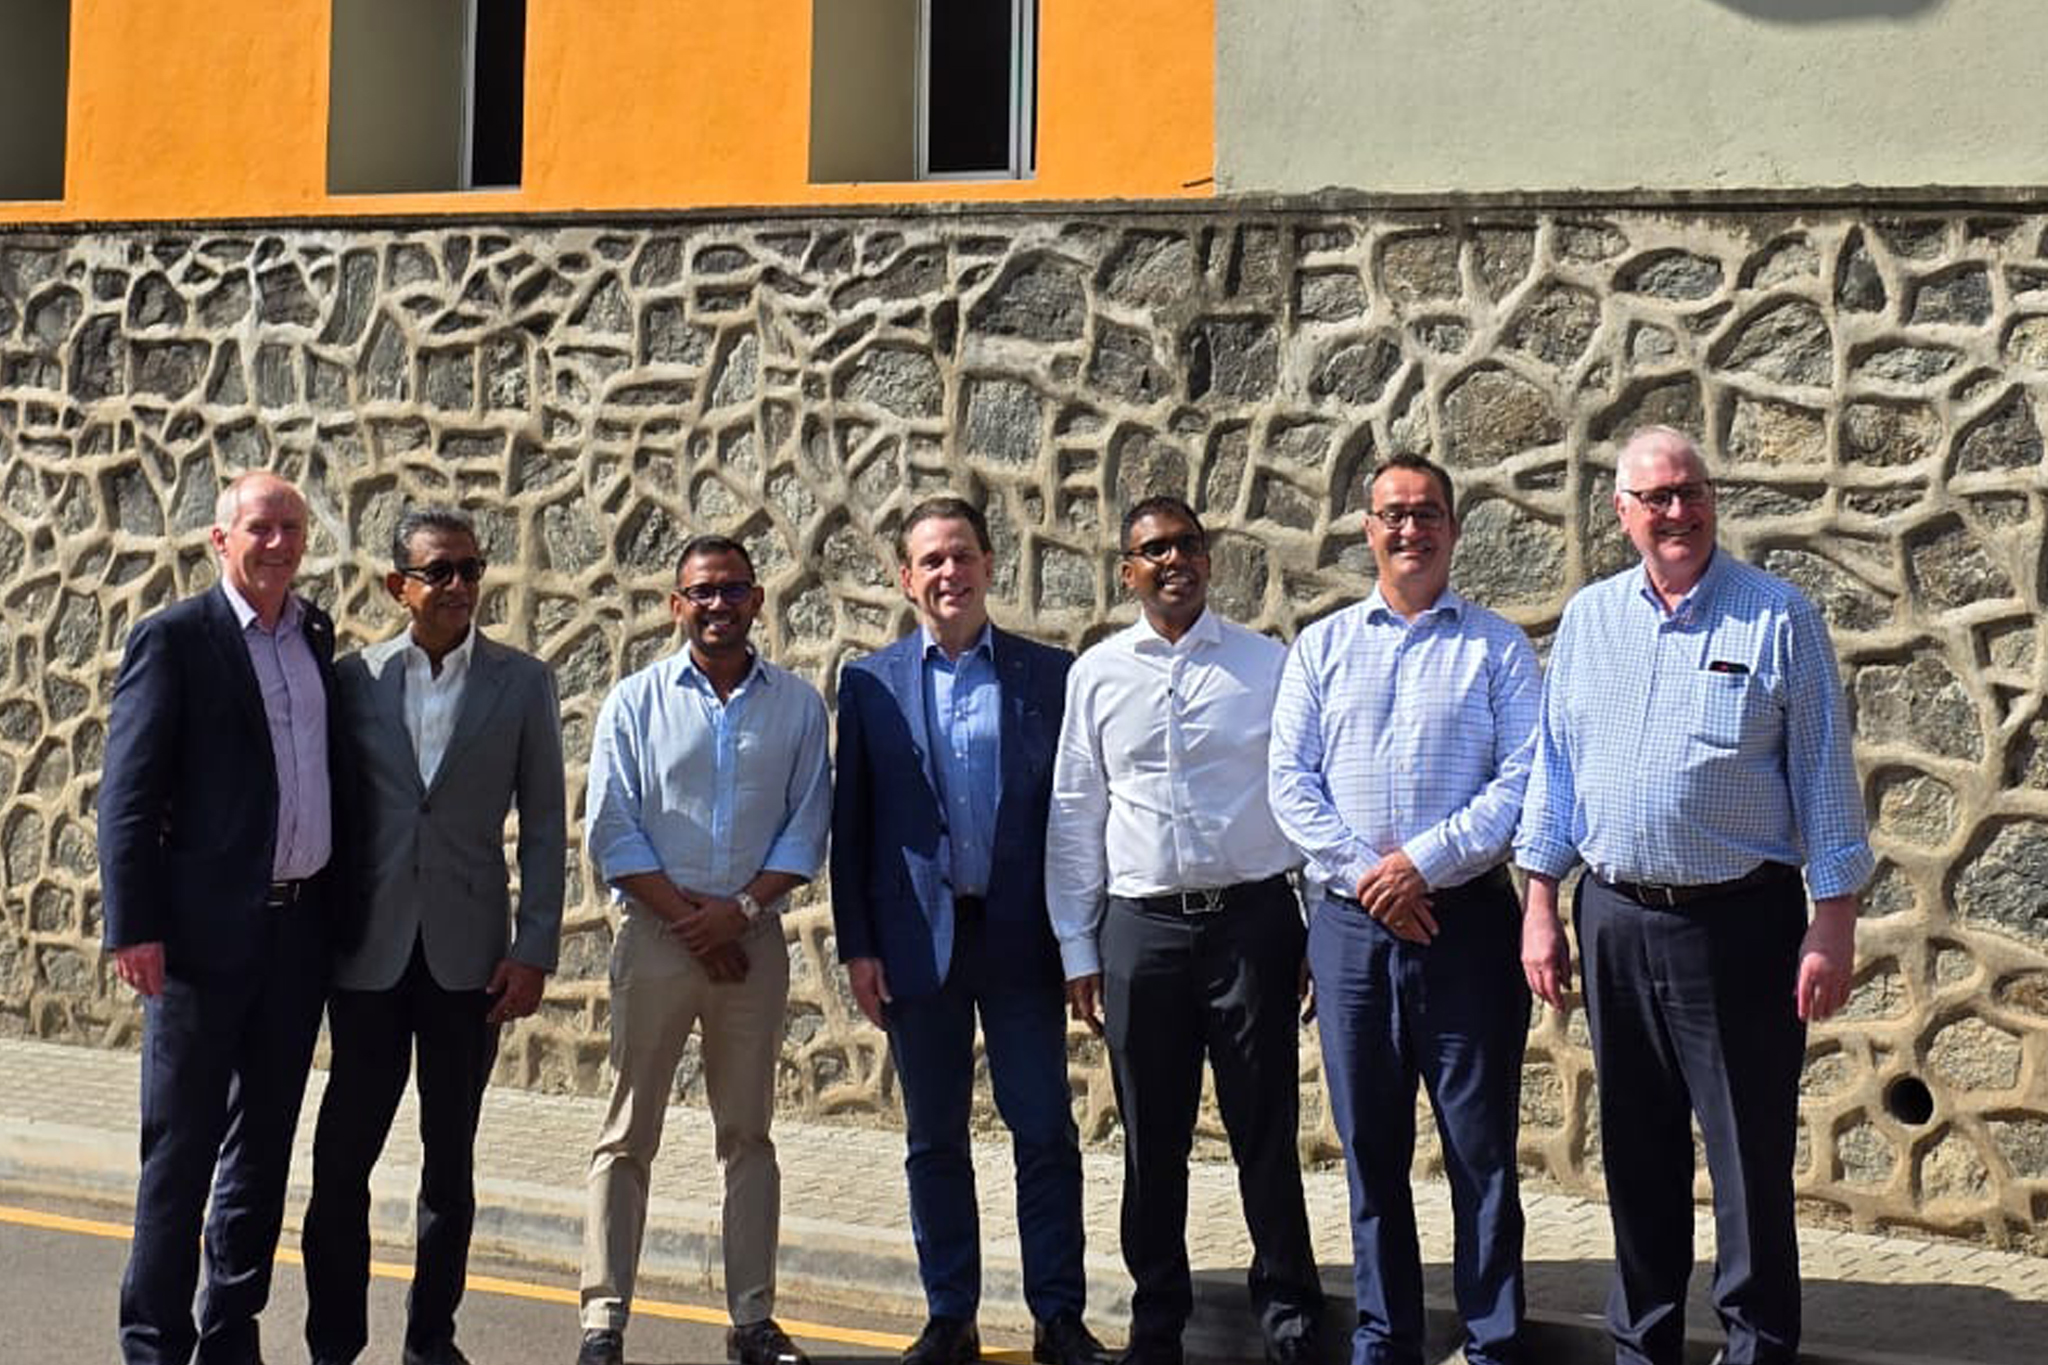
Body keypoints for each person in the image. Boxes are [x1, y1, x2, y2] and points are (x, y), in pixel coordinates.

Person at [1515, 425, 1871, 1365]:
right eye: (1658, 497)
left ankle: (1756, 1347)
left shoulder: (1777, 616)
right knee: (1637, 1151)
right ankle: (1643, 1345)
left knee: (1749, 1157)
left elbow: (1825, 777)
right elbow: (1556, 770)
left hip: (1739, 925)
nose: (1679, 511)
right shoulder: (1589, 619)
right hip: (1615, 917)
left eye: (1693, 491)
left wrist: (1833, 922)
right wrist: (1540, 902)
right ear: (1621, 512)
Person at [1269, 454, 1541, 1365]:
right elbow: (1290, 785)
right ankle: (1386, 1337)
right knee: (1371, 1149)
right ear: (1367, 530)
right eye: (1393, 514)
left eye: (1427, 513)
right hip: (1352, 930)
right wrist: (1372, 878)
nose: (1410, 529)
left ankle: (1492, 1340)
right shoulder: (1321, 648)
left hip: (1466, 926)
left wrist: (1421, 864)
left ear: (1454, 529)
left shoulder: (1499, 648)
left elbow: (1523, 782)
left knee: (1481, 1150)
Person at [1046, 497, 1323, 1365]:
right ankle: (1156, 1324)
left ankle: (1290, 1317)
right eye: (1155, 549)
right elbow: (1076, 812)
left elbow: (1304, 792)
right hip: (1143, 931)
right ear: (1127, 570)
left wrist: (1316, 926)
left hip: (1252, 923)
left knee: (1265, 1129)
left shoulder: (1265, 664)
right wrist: (1078, 944)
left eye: (1189, 545)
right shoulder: (1097, 674)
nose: (1175, 560)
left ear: (1209, 558)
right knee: (1151, 1141)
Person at [831, 496, 1106, 1365]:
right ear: (905, 578)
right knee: (934, 1139)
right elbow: (853, 827)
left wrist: (1081, 938)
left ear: (990, 564)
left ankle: (1058, 1315)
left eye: (962, 555)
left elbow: (1077, 815)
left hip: (1021, 940)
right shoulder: (869, 684)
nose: (949, 573)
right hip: (919, 945)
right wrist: (858, 946)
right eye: (931, 561)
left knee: (1044, 1130)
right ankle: (950, 1314)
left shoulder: (1049, 675)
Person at [301, 506, 567, 1365]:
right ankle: (334, 1343)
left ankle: (431, 1341)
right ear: (398, 585)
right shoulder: (354, 680)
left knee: (448, 1167)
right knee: (341, 1162)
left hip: (471, 961)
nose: (460, 585)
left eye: (471, 569)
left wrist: (534, 947)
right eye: (440, 571)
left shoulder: (522, 682)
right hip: (368, 955)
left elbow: (546, 826)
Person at [99, 470, 345, 1365]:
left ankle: (229, 1333)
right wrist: (133, 926)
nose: (278, 543)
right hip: (199, 945)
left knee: (262, 1151)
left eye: (292, 527)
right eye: (260, 527)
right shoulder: (174, 639)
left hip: (296, 936)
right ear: (220, 539)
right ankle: (154, 1344)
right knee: (181, 1155)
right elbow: (127, 795)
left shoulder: (314, 633)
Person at [576, 536, 831, 1365]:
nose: (718, 604)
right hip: (656, 940)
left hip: (751, 945)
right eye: (701, 592)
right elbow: (613, 828)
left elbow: (807, 826)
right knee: (626, 1134)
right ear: (675, 605)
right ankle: (603, 1321)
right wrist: (694, 922)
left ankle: (752, 1319)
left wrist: (741, 911)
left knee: (748, 1134)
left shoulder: (797, 706)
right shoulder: (634, 702)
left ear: (757, 598)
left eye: (732, 589)